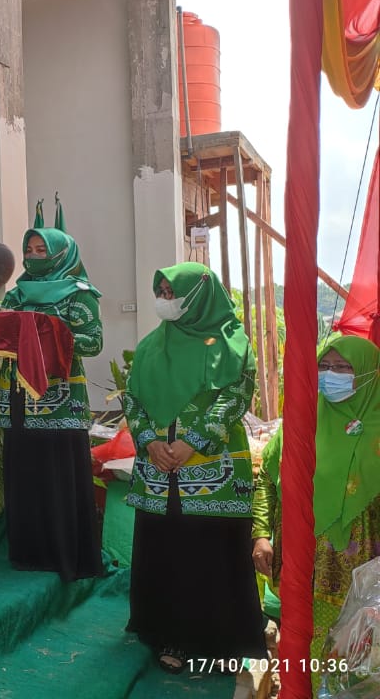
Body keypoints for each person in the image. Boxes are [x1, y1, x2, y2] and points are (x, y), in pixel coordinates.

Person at [123, 262, 266, 671]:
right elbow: (132, 397)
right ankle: (169, 635)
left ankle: (220, 642)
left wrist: (193, 442)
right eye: (162, 292)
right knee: (165, 551)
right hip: (158, 470)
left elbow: (236, 395)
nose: (165, 300)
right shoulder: (151, 346)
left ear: (200, 294)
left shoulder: (232, 343)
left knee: (210, 553)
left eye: (172, 292)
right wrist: (149, 441)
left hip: (212, 470)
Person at [252, 335, 380, 674]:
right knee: (299, 649)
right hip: (300, 564)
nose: (330, 375)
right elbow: (267, 478)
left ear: (369, 372)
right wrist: (261, 534)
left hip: (360, 575)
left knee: (354, 659)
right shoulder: (301, 419)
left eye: (342, 367)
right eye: (323, 366)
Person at [0, 204, 103, 582]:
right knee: (25, 477)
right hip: (18, 401)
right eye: (29, 250)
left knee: (59, 479)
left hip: (61, 405)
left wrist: (49, 334)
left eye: (42, 250)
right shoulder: (16, 294)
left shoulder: (79, 294)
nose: (34, 256)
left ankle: (66, 555)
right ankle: (29, 554)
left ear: (61, 254)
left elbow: (93, 343)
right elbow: (1, 337)